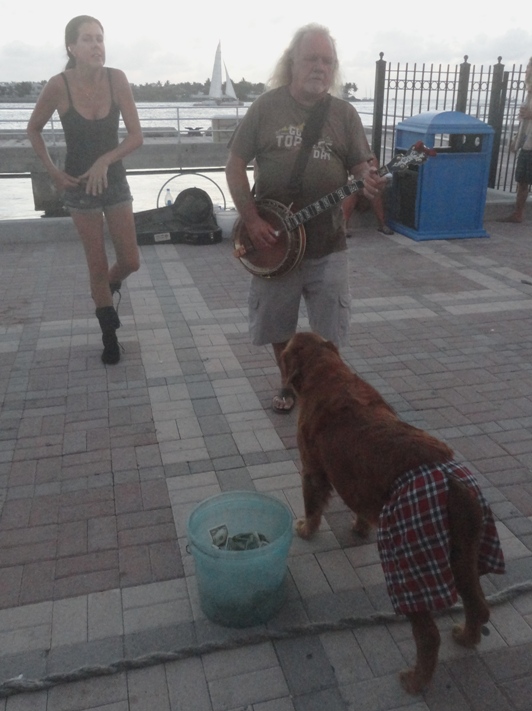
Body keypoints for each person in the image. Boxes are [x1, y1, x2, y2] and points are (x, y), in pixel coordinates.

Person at [225, 23, 385, 413]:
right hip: (275, 243)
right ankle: (289, 382)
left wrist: (367, 179)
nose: (320, 67)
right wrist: (251, 220)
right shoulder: (265, 108)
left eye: (327, 61)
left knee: (329, 331)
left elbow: (361, 166)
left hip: (328, 242)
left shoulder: (344, 114)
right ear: (292, 61)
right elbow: (234, 164)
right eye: (312, 58)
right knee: (278, 324)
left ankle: (326, 392)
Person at [27, 15, 143, 365]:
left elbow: (136, 136)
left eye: (100, 38)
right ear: (72, 48)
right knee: (96, 263)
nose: (97, 46)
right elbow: (33, 129)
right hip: (79, 186)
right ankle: (109, 333)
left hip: (114, 181)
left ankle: (107, 289)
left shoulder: (117, 79)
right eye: (88, 39)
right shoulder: (58, 85)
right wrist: (54, 172)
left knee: (130, 260)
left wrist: (105, 160)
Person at [500, 57, 532, 223]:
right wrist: (516, 139)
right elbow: (524, 121)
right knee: (522, 180)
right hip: (527, 143)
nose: (526, 70)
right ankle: (518, 213)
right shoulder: (529, 93)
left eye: (529, 67)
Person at [342, 156, 394, 236]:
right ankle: (344, 226)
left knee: (375, 192)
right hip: (353, 188)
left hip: (367, 189)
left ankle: (382, 224)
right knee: (351, 189)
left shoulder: (371, 158)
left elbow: (375, 176)